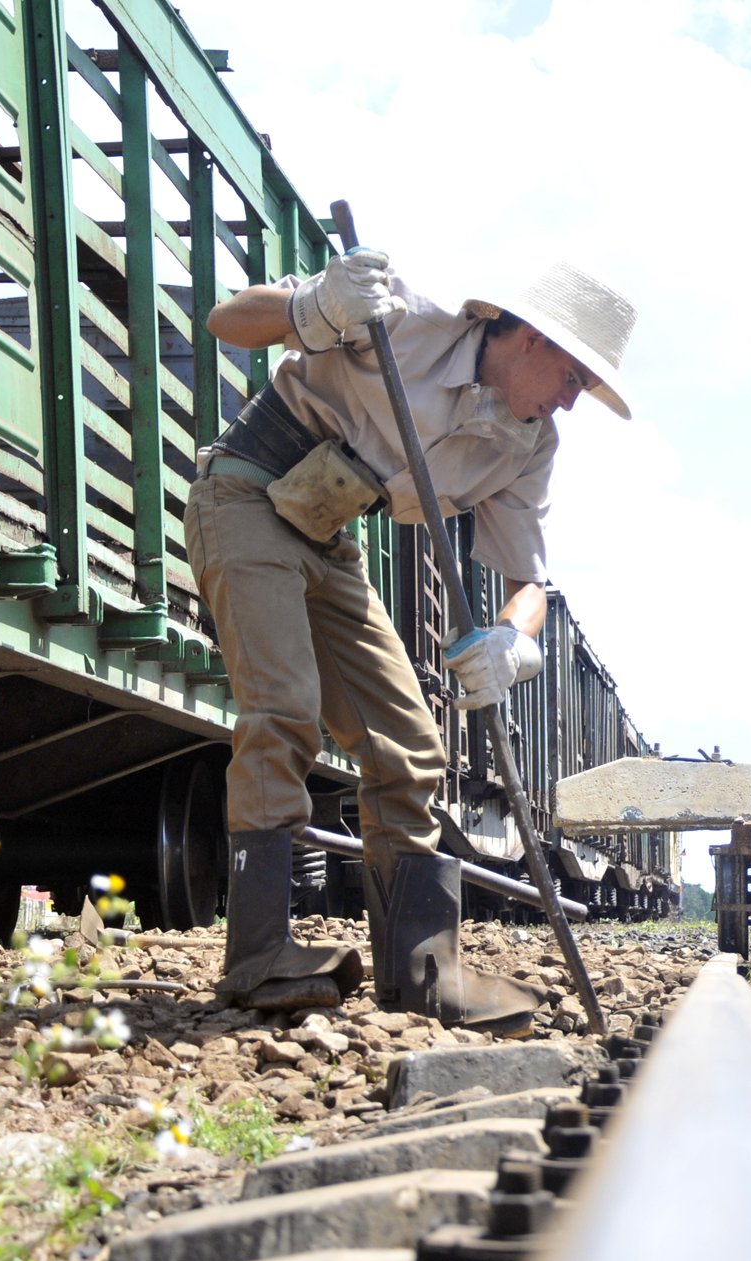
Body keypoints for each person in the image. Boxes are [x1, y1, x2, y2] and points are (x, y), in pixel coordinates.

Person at [191, 247, 637, 1024]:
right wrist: (312, 309)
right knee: (285, 711)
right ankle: (258, 955)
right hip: (246, 494)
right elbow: (228, 319)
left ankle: (423, 971)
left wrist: (511, 642)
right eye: (573, 377)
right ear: (531, 337)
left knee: (411, 747)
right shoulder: (404, 315)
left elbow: (528, 584)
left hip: (327, 534)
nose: (569, 402)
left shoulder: (530, 447)